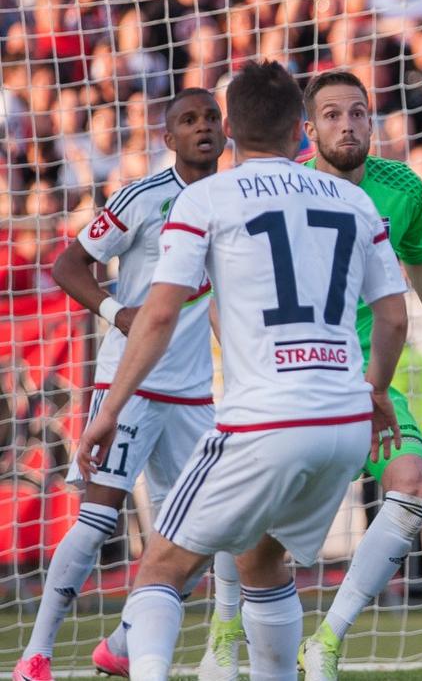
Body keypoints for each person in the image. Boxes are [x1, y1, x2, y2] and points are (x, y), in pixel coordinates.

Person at [73, 60, 410, 681]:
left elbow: (159, 315)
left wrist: (110, 411)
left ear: (229, 129)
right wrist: (378, 390)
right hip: (342, 423)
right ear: (299, 132)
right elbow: (392, 317)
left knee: (160, 569)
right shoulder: (355, 200)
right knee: (260, 561)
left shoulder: (205, 197)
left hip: (262, 423)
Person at [13, 90, 223, 681]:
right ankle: (36, 653)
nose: (202, 128)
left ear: (226, 133)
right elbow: (66, 265)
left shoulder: (233, 200)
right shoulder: (142, 197)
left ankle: (126, 642)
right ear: (168, 138)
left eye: (211, 118)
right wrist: (116, 313)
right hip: (127, 384)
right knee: (100, 516)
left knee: (206, 530)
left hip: (194, 394)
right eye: (189, 120)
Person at [290, 71, 422, 678]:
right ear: (308, 129)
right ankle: (223, 633)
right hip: (294, 380)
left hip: (372, 383)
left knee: (416, 484)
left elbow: (421, 261)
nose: (347, 125)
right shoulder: (285, 188)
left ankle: (326, 639)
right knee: (257, 523)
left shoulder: (401, 188)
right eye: (331, 115)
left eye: (358, 113)